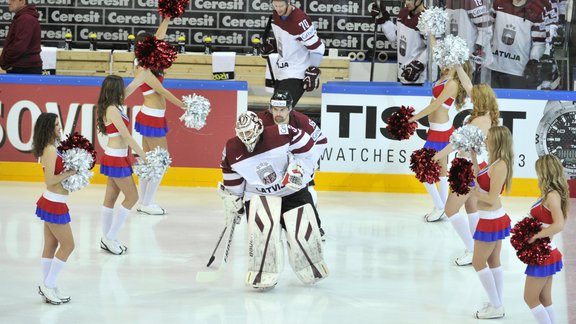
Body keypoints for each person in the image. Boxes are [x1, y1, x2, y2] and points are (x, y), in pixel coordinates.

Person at [219, 111, 328, 290]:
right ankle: (263, 272)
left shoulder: (283, 133)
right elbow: (230, 173)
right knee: (263, 236)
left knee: (304, 234)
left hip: (291, 191)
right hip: (259, 196)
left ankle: (311, 265)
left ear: (259, 128)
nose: (246, 137)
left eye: (250, 132)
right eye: (242, 133)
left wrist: (300, 168)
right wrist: (234, 199)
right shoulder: (231, 148)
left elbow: (309, 150)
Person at [432, 66, 500, 266]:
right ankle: (477, 249)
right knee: (471, 208)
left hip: (468, 169)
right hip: (471, 166)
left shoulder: (479, 121)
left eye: (474, 97)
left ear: (480, 99)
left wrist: (438, 155)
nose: (470, 97)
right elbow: (468, 85)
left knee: (451, 209)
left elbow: (456, 143)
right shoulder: (486, 112)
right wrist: (458, 67)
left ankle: (472, 250)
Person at [133, 16, 186, 215]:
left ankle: (143, 201)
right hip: (151, 117)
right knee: (161, 160)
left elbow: (159, 39)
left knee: (149, 160)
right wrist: (184, 105)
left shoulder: (150, 62)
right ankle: (147, 202)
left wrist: (167, 18)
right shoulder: (143, 68)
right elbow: (162, 92)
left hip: (152, 115)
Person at [408, 60, 472, 222]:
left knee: (421, 167)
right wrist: (431, 34)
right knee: (442, 170)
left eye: (451, 63)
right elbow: (436, 50)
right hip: (437, 129)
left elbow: (436, 105)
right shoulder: (443, 78)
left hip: (441, 130)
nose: (445, 64)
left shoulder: (452, 84)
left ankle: (440, 205)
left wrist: (413, 118)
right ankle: (441, 206)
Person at [257, 90, 327, 235]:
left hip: (299, 159)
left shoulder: (302, 121)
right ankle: (276, 224)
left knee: (304, 189)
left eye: (282, 110)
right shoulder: (261, 120)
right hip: (272, 161)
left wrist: (306, 167)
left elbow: (321, 141)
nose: (278, 114)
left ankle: (313, 227)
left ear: (290, 108)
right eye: (275, 109)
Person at [96, 74, 148, 255]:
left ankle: (107, 238)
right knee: (132, 198)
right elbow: (126, 136)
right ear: (115, 90)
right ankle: (109, 237)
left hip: (116, 156)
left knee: (110, 198)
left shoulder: (114, 104)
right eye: (121, 87)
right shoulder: (111, 109)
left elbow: (135, 84)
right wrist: (143, 155)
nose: (124, 90)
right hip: (117, 157)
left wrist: (145, 68)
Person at [469, 125, 514, 319]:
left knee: (478, 262)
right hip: (491, 218)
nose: (485, 140)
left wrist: (469, 190)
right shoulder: (494, 162)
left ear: (497, 141)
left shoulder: (501, 165)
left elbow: (491, 197)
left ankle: (496, 306)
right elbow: (483, 180)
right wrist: (473, 159)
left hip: (491, 219)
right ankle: (497, 301)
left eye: (489, 138)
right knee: (493, 260)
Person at [32, 112, 77, 305]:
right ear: (48, 128)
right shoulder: (50, 150)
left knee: (51, 246)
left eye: (59, 124)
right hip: (53, 203)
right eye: (56, 125)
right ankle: (48, 285)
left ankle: (48, 285)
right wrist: (69, 173)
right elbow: (49, 180)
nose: (60, 127)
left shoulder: (53, 147)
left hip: (54, 201)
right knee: (68, 245)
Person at [523, 154, 567, 324]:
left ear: (545, 172)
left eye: (539, 171)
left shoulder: (552, 196)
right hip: (546, 251)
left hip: (544, 253)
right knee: (544, 298)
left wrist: (536, 236)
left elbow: (559, 224)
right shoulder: (550, 193)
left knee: (530, 298)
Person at [260, 0, 325, 107]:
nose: (278, 9)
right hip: (282, 72)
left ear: (288, 2)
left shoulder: (299, 21)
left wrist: (313, 69)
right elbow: (287, 41)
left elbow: (317, 47)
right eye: (275, 5)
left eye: (281, 5)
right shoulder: (275, 16)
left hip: (296, 73)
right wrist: (272, 46)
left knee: (279, 111)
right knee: (277, 112)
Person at [488, 0, 546, 89]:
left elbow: (539, 42)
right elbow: (487, 29)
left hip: (518, 70)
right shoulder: (498, 3)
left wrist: (533, 60)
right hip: (494, 66)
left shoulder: (537, 10)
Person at [370, 0, 429, 85]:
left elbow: (433, 47)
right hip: (403, 75)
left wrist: (419, 64)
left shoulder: (426, 18)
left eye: (410, 0)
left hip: (420, 79)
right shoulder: (403, 13)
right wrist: (382, 18)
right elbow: (394, 37)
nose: (407, 2)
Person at [444, 0, 493, 83]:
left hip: (471, 64)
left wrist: (477, 51)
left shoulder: (472, 2)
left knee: (472, 93)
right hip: (454, 61)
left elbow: (486, 29)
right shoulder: (448, 2)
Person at [0, 0, 42, 74]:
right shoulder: (23, 17)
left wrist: (6, 60)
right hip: (23, 66)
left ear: (22, 2)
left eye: (12, 0)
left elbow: (19, 46)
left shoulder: (25, 19)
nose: (9, 2)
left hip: (24, 68)